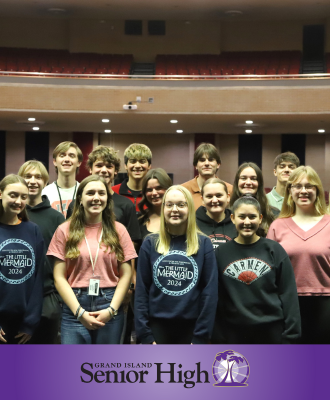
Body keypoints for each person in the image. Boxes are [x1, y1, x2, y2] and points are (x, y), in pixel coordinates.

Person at [47, 175, 137, 344]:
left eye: (101, 193)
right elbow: (59, 277)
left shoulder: (120, 230)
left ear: (107, 199)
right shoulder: (64, 230)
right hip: (74, 306)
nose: (96, 198)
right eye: (90, 193)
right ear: (80, 199)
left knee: (104, 366)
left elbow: (126, 274)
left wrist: (111, 310)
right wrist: (79, 312)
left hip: (110, 303)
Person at [135, 185, 218, 344]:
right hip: (156, 327)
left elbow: (210, 293)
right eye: (169, 204)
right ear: (163, 208)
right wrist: (145, 336)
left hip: (192, 328)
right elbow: (141, 291)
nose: (175, 209)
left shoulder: (204, 243)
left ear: (190, 208)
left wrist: (200, 337)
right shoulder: (150, 243)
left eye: (181, 204)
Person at [214, 196, 300, 344]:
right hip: (233, 334)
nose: (247, 222)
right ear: (233, 218)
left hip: (272, 332)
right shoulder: (220, 253)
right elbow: (217, 297)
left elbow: (288, 294)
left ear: (260, 219)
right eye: (242, 217)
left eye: (252, 217)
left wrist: (291, 335)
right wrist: (218, 334)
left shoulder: (274, 250)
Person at [267, 166, 330, 344]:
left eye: (309, 186)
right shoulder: (277, 226)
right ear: (290, 191)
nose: (303, 191)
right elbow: (270, 271)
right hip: (286, 302)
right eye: (297, 186)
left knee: (320, 361)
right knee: (291, 360)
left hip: (325, 302)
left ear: (317, 190)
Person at [18, 160, 65, 344]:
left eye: (38, 177)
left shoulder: (56, 218)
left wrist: (58, 298)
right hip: (17, 296)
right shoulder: (10, 214)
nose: (32, 181)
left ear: (45, 182)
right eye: (27, 176)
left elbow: (64, 259)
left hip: (47, 297)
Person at [0, 175, 44, 344]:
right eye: (13, 195)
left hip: (24, 325)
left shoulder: (32, 230)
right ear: (1, 194)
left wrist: (30, 322)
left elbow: (38, 278)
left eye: (23, 197)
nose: (18, 201)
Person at [66, 145, 141, 243]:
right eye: (99, 165)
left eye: (109, 166)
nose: (104, 170)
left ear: (116, 171)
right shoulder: (76, 204)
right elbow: (68, 237)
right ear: (90, 169)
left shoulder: (126, 204)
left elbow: (133, 242)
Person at [230, 162, 278, 236]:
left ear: (259, 183)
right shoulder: (227, 212)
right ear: (237, 182)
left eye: (253, 179)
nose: (248, 182)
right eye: (243, 178)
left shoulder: (273, 214)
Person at [181, 143, 233, 210]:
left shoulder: (230, 190)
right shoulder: (183, 190)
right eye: (202, 160)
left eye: (211, 160)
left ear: (218, 164)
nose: (207, 163)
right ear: (195, 165)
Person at [42, 141, 83, 218]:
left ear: (79, 163)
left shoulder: (85, 191)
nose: (67, 159)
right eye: (62, 155)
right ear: (55, 162)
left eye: (71, 156)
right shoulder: (45, 193)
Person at [196, 178, 237, 248]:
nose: (214, 200)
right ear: (202, 200)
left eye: (219, 195)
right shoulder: (192, 224)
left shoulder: (237, 222)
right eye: (209, 196)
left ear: (228, 197)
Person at [112, 143, 152, 213]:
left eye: (142, 161)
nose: (137, 166)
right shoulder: (113, 192)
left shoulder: (154, 194)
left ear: (149, 166)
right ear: (125, 166)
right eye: (133, 161)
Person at [138, 168, 172, 240]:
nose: (154, 193)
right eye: (149, 190)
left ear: (168, 188)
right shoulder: (139, 219)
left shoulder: (178, 215)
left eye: (158, 188)